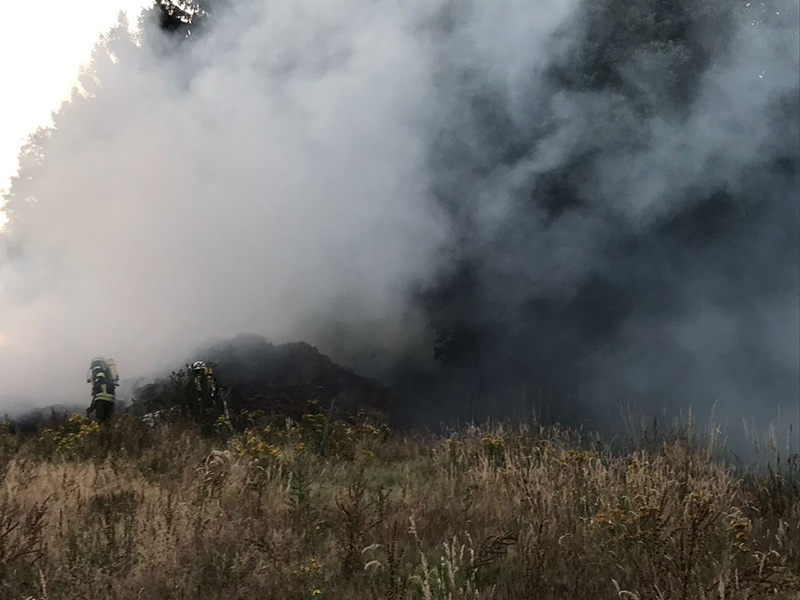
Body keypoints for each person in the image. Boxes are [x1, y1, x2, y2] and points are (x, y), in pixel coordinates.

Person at [86, 357, 118, 423]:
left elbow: (98, 392)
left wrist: (91, 407)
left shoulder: (98, 371)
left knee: (100, 420)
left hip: (101, 400)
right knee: (107, 420)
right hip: (110, 399)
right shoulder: (107, 373)